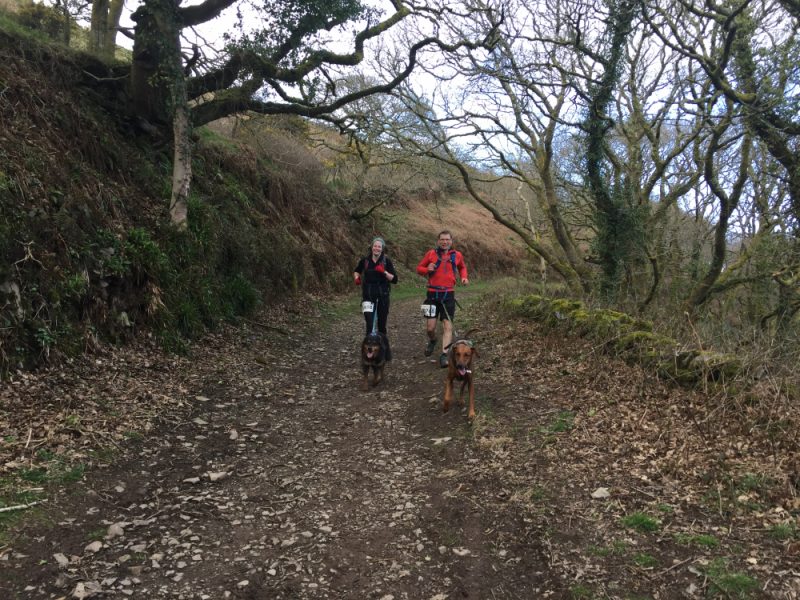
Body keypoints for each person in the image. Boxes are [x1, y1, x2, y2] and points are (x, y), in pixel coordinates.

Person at [416, 230, 469, 368]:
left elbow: (462, 267)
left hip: (448, 295)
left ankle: (444, 355)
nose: (445, 242)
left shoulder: (457, 255)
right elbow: (419, 268)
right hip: (432, 295)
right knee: (430, 328)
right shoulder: (431, 254)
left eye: (447, 240)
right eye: (442, 240)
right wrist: (427, 269)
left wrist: (464, 277)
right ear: (438, 241)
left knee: (447, 326)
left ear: (451, 241)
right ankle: (433, 340)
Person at [353, 237, 398, 360]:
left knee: (381, 325)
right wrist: (356, 278)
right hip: (368, 296)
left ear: (382, 249)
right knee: (369, 323)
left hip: (382, 296)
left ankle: (384, 350)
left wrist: (384, 272)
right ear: (371, 247)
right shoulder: (365, 261)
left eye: (379, 246)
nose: (377, 248)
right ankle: (368, 351)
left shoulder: (386, 261)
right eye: (375, 246)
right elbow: (357, 271)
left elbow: (394, 279)